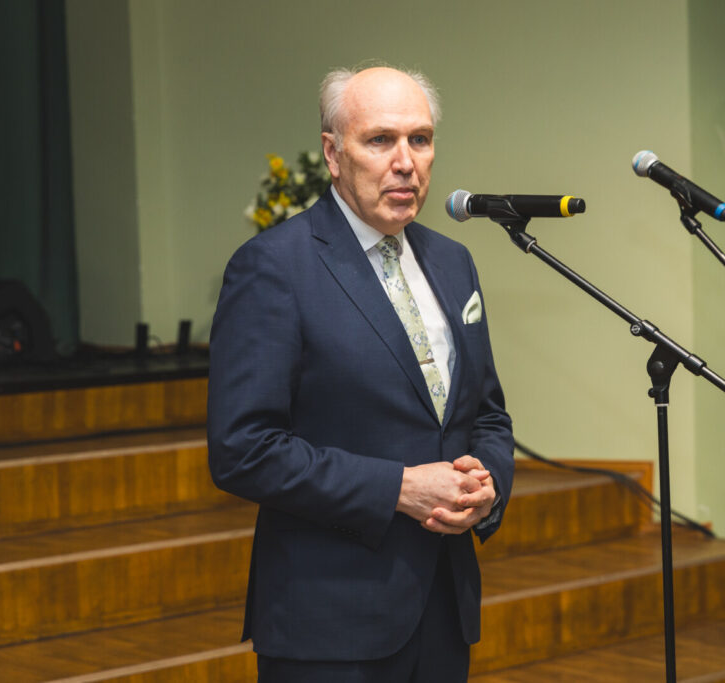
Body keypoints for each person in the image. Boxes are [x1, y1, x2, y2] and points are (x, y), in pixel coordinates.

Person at [207, 64, 515, 682]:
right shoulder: (274, 267)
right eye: (380, 140)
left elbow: (486, 414)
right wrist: (397, 487)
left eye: (420, 139)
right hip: (330, 620)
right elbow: (242, 450)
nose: (405, 162)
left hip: (444, 608)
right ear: (333, 153)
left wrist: (487, 486)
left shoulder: (453, 261)